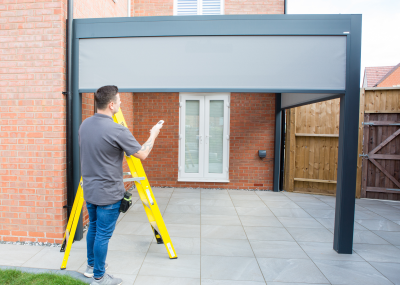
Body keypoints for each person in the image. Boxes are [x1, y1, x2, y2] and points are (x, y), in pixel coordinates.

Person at [79, 85, 161, 285]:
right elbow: (142, 154)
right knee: (103, 236)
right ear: (111, 104)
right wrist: (153, 134)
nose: (122, 103)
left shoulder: (85, 125)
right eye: (120, 100)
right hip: (108, 193)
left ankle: (91, 267)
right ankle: (99, 277)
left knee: (94, 229)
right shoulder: (117, 130)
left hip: (90, 190)